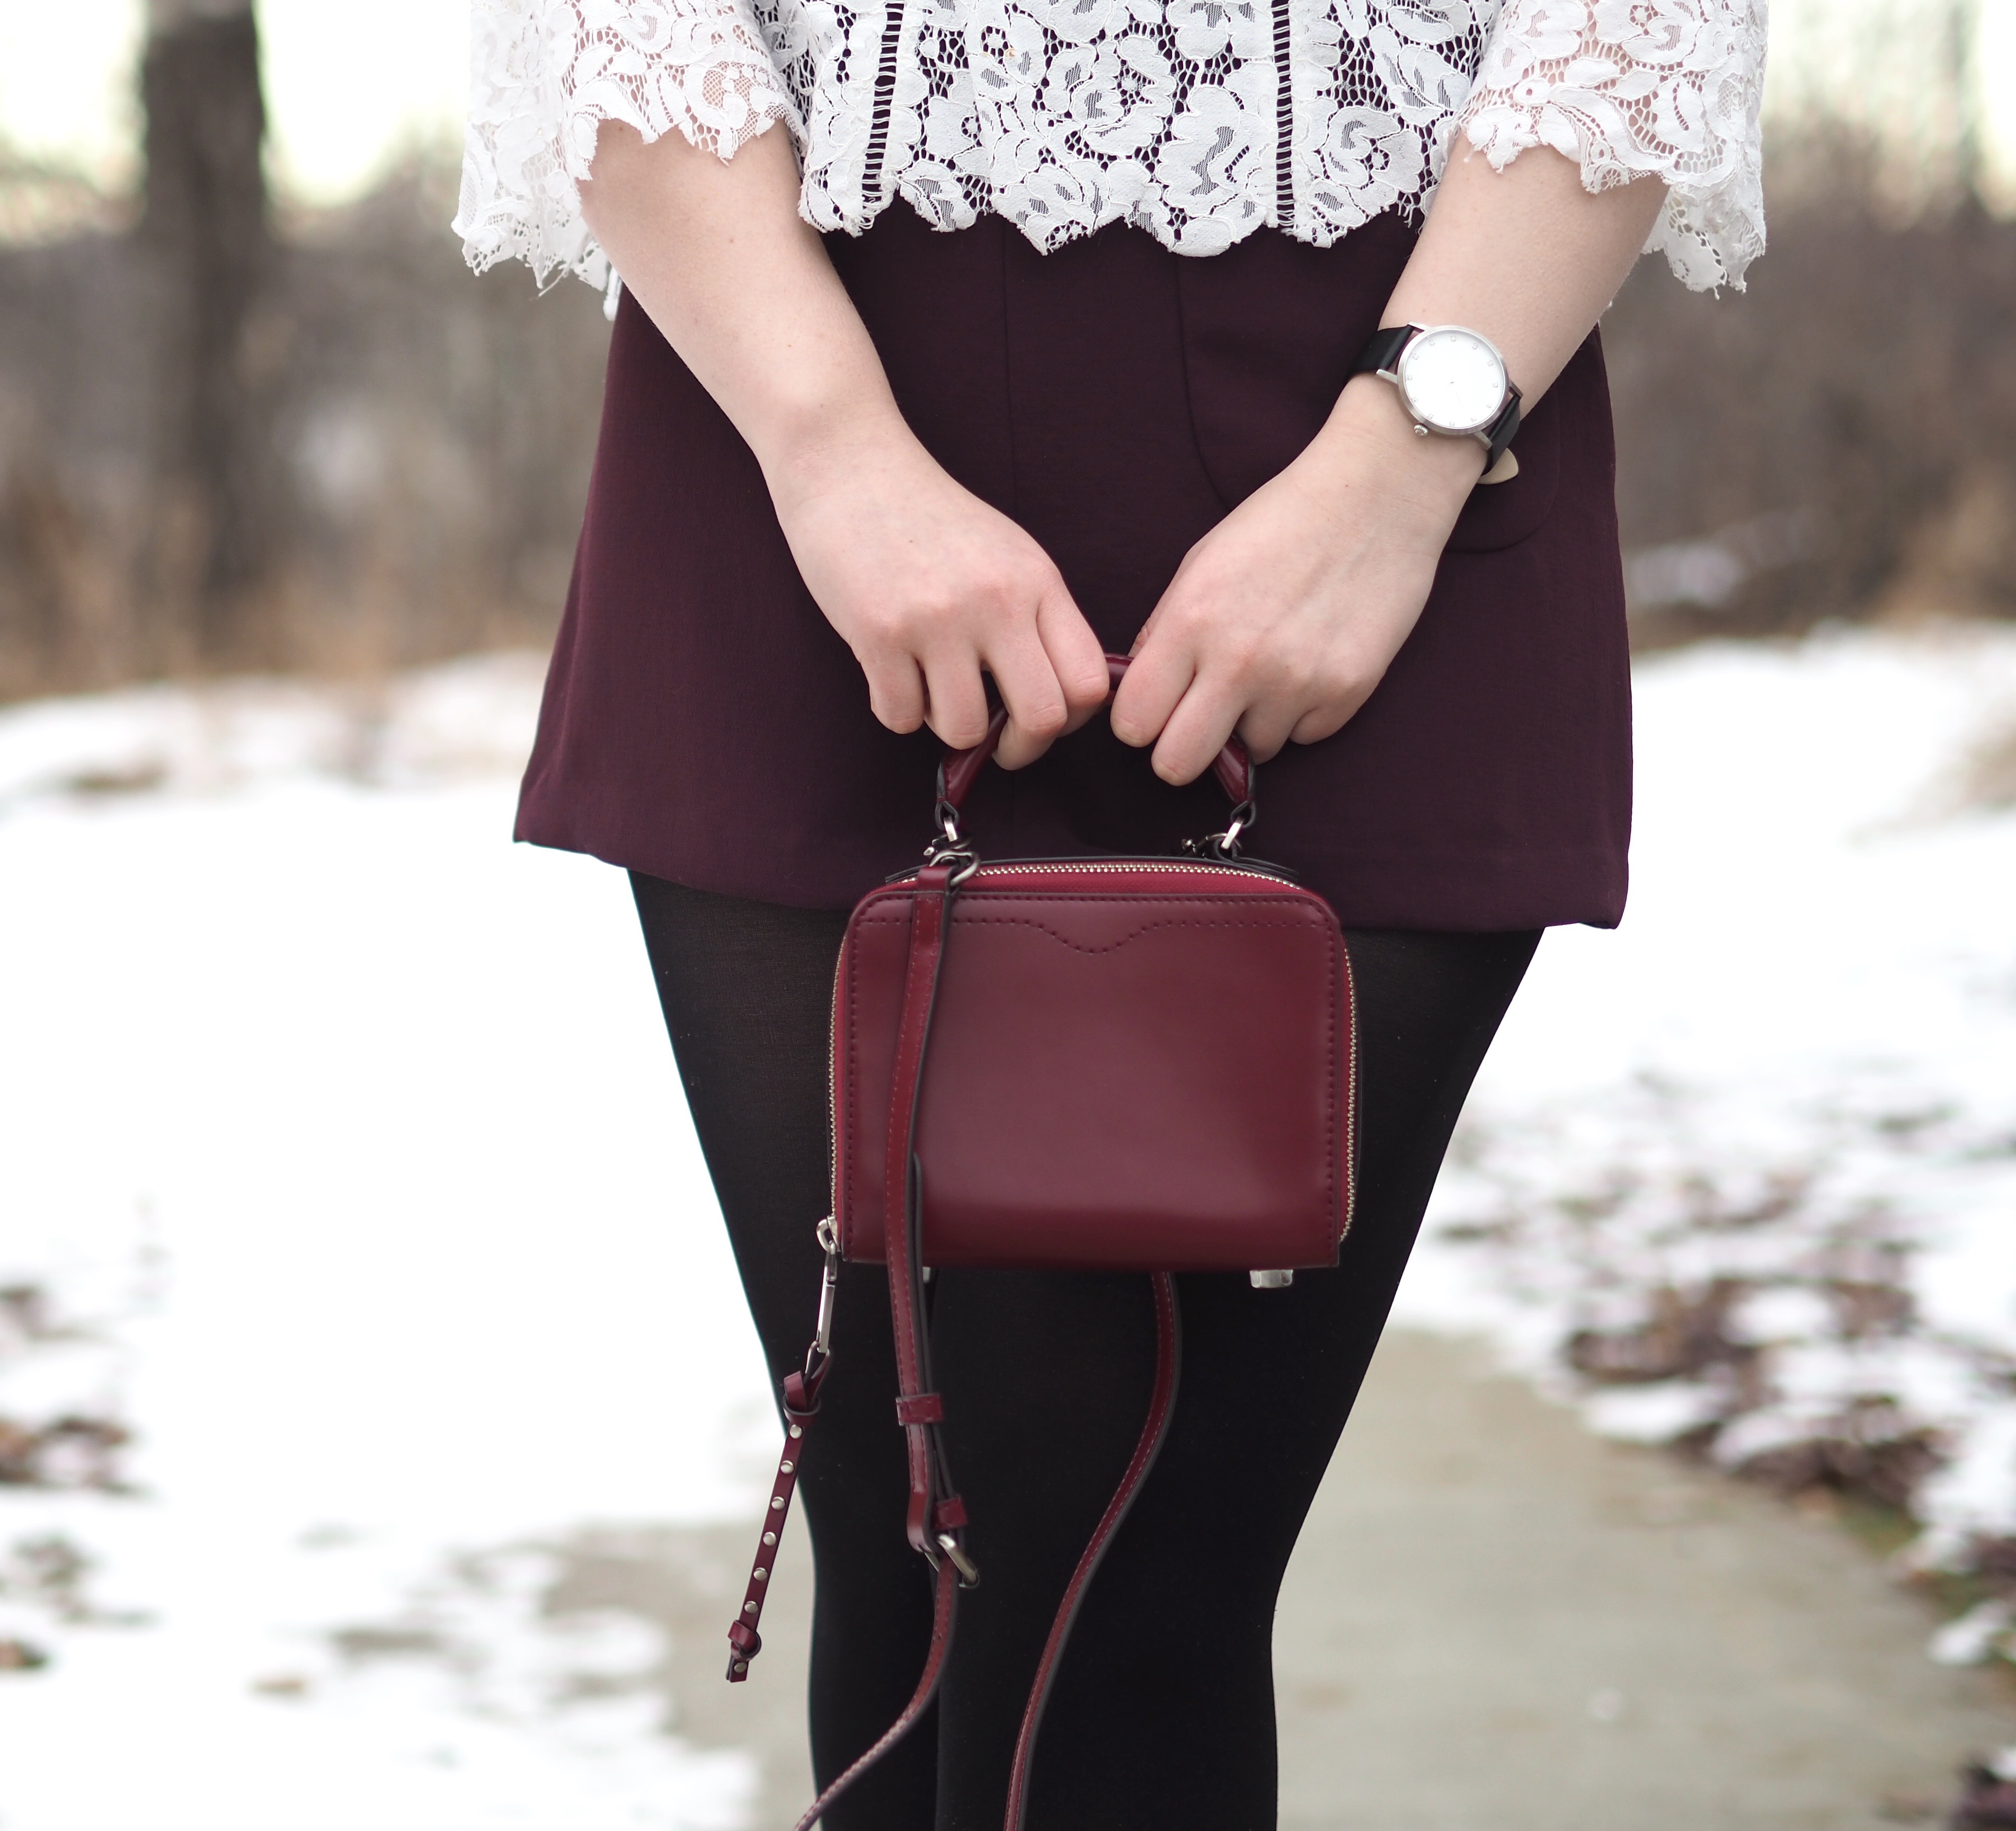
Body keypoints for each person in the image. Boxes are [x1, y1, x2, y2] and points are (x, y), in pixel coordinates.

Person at [460, 3, 1764, 1824]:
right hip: (794, 391)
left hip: (1394, 404)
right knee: (923, 1571)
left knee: (1134, 1596)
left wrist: (1399, 466)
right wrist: (833, 454)